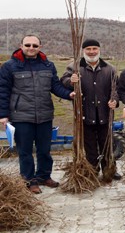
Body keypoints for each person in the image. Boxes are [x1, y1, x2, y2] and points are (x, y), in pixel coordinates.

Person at [0, 35, 75, 193]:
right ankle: (29, 180)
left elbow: (55, 87)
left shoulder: (48, 65)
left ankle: (44, 176)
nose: (31, 48)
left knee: (44, 149)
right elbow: (3, 92)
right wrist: (3, 115)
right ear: (21, 45)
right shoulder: (10, 66)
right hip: (21, 116)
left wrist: (69, 94)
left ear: (40, 47)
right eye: (28, 45)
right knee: (25, 151)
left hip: (44, 115)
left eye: (35, 45)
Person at [61, 39, 121, 180]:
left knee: (107, 143)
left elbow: (116, 89)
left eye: (95, 48)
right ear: (83, 51)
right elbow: (63, 81)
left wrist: (115, 101)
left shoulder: (109, 68)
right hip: (84, 113)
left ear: (99, 50)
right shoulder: (74, 67)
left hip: (104, 113)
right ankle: (92, 170)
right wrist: (71, 81)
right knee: (89, 146)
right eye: (88, 49)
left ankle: (109, 169)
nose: (92, 51)